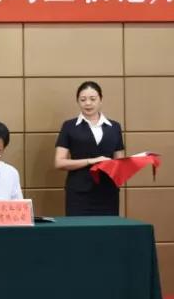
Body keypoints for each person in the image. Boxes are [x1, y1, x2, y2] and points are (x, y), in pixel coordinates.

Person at [53, 80, 126, 216]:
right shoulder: (69, 126)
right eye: (83, 99)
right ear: (78, 101)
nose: (88, 103)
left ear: (101, 100)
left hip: (108, 193)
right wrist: (91, 161)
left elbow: (119, 164)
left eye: (93, 99)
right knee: (79, 229)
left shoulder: (114, 127)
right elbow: (59, 162)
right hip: (79, 194)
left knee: (108, 229)